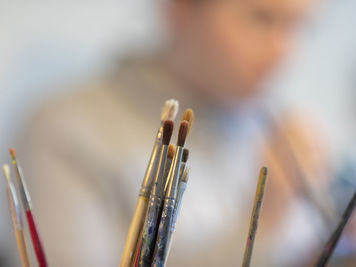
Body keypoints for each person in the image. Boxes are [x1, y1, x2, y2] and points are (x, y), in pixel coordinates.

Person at [16, 0, 332, 266]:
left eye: (300, 27)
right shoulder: (65, 129)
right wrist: (267, 222)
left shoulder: (265, 123)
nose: (286, 53)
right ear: (179, 10)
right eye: (261, 19)